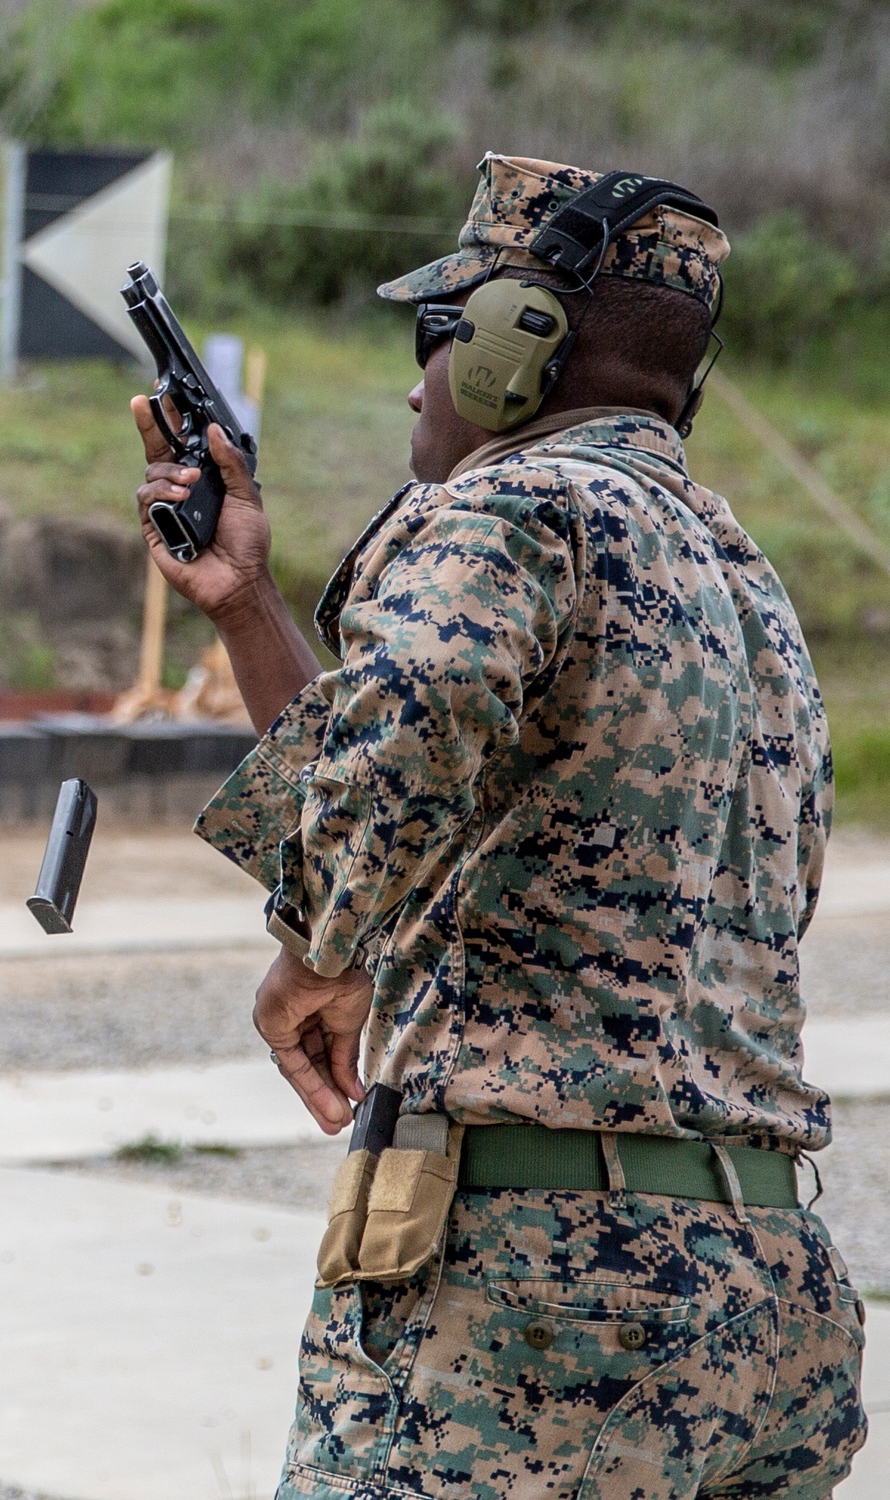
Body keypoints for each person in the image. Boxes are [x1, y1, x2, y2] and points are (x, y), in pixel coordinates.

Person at [132, 153, 866, 1500]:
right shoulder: (743, 580)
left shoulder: (512, 506)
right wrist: (249, 603)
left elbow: (410, 732)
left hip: (537, 1303)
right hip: (769, 1299)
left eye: (440, 332)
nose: (417, 380)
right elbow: (421, 760)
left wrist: (317, 946)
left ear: (511, 347)